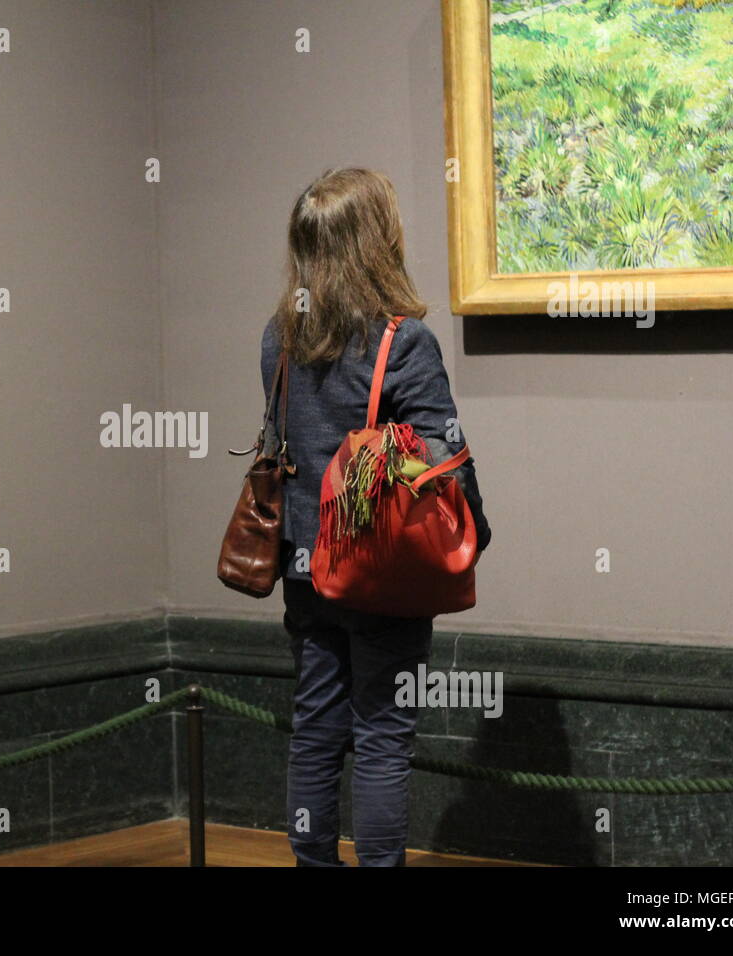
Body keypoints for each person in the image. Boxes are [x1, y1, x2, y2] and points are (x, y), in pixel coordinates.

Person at [259, 167, 492, 867]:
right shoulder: (403, 342)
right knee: (384, 736)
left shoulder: (281, 336)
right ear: (376, 240)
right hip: (381, 569)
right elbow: (445, 460)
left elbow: (283, 443)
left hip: (304, 565)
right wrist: (476, 529)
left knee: (316, 730)